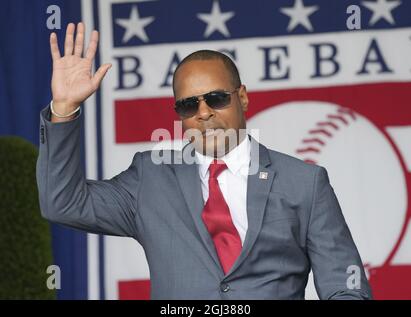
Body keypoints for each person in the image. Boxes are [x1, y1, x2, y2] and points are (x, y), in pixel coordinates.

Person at [37, 22, 372, 299]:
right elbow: (61, 203)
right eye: (188, 105)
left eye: (216, 98)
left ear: (242, 96)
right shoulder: (149, 179)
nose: (204, 112)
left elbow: (347, 288)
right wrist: (64, 109)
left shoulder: (304, 183)